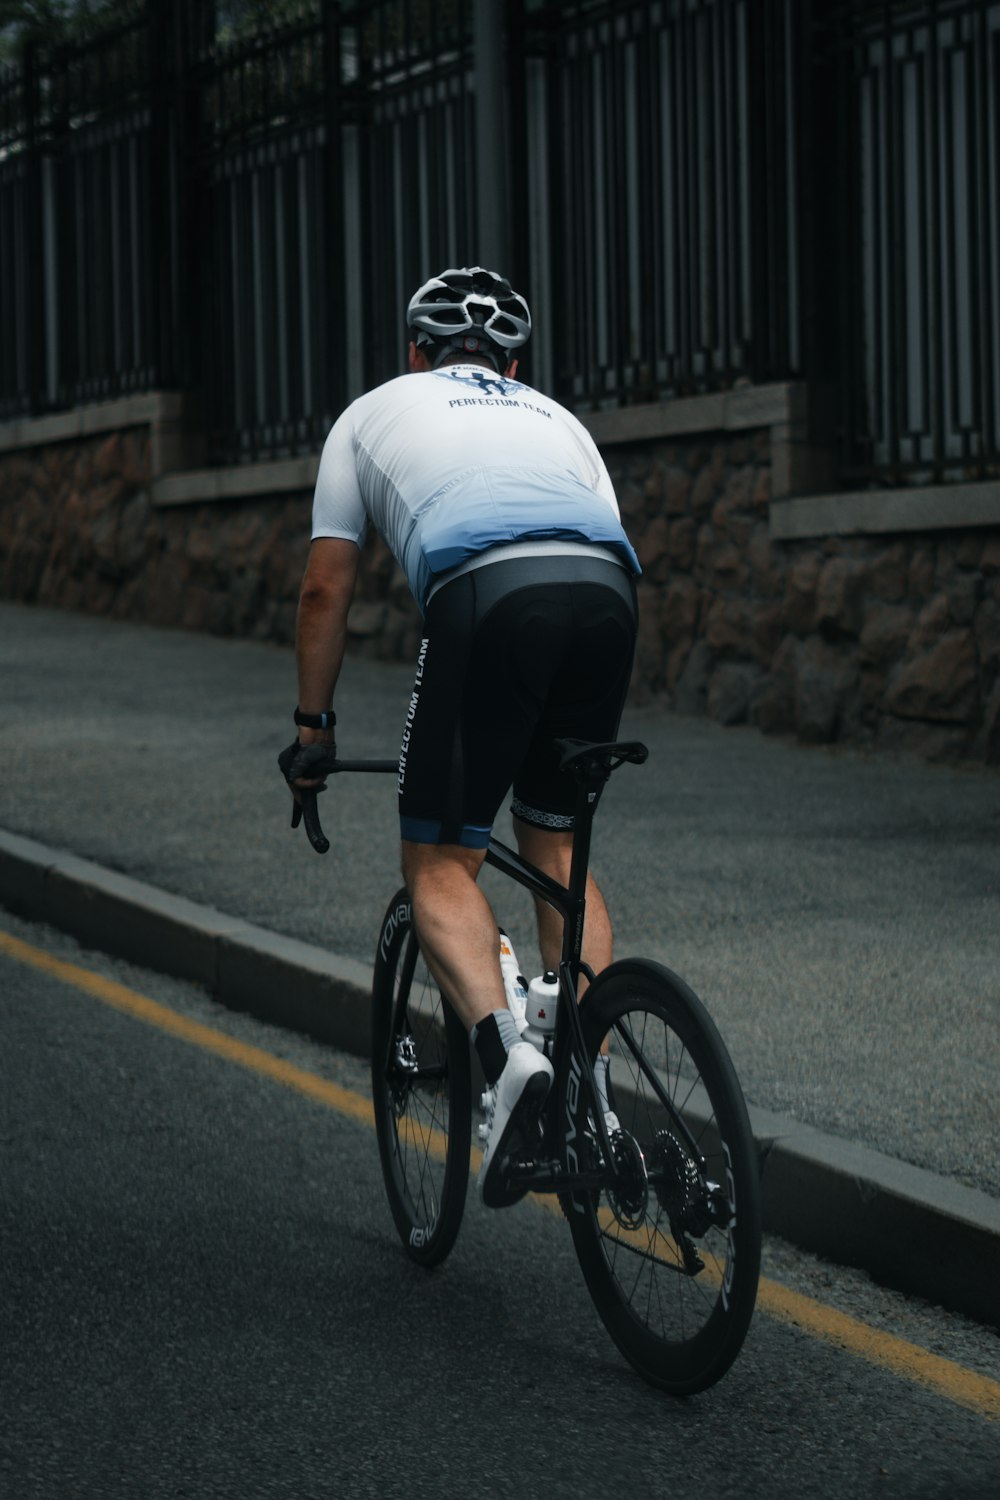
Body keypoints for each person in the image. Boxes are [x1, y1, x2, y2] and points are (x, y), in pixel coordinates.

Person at [279, 266, 640, 1207]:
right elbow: (598, 538)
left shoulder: (371, 414)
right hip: (605, 596)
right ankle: (589, 1076)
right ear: (514, 363)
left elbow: (326, 587)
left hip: (490, 596)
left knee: (439, 861)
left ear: (415, 354)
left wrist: (312, 731)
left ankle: (507, 1060)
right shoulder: (559, 418)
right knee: (556, 842)